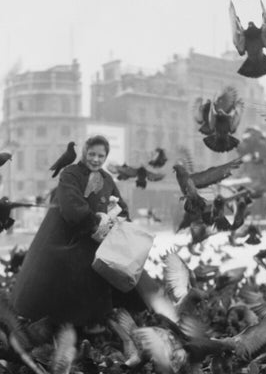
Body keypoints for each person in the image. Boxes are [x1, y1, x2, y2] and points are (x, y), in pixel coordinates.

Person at [11, 135, 159, 327]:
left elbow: (122, 208)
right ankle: (68, 325)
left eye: (101, 156)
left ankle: (110, 319)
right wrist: (95, 222)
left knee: (126, 278)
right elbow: (71, 205)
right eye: (92, 154)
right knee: (65, 289)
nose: (96, 160)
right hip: (69, 239)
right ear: (84, 153)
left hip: (98, 241)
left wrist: (118, 219)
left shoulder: (107, 179)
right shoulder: (70, 174)